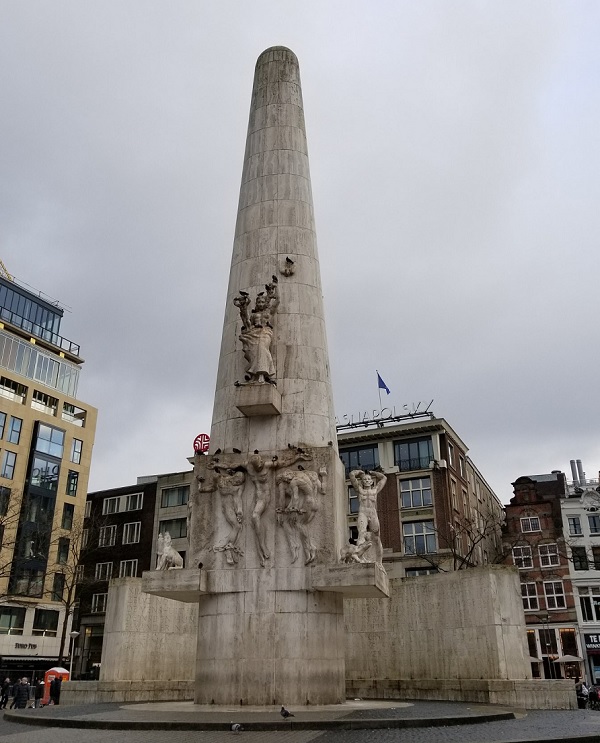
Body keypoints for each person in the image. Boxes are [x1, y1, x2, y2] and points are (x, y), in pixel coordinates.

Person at [349, 469, 387, 564]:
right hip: (363, 513)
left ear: (371, 481)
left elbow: (384, 478)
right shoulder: (359, 490)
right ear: (362, 481)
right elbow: (351, 475)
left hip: (373, 513)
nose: (366, 481)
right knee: (361, 533)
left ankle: (379, 560)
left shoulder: (375, 490)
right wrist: (359, 472)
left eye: (368, 479)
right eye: (364, 479)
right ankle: (360, 558)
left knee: (376, 537)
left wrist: (374, 473)